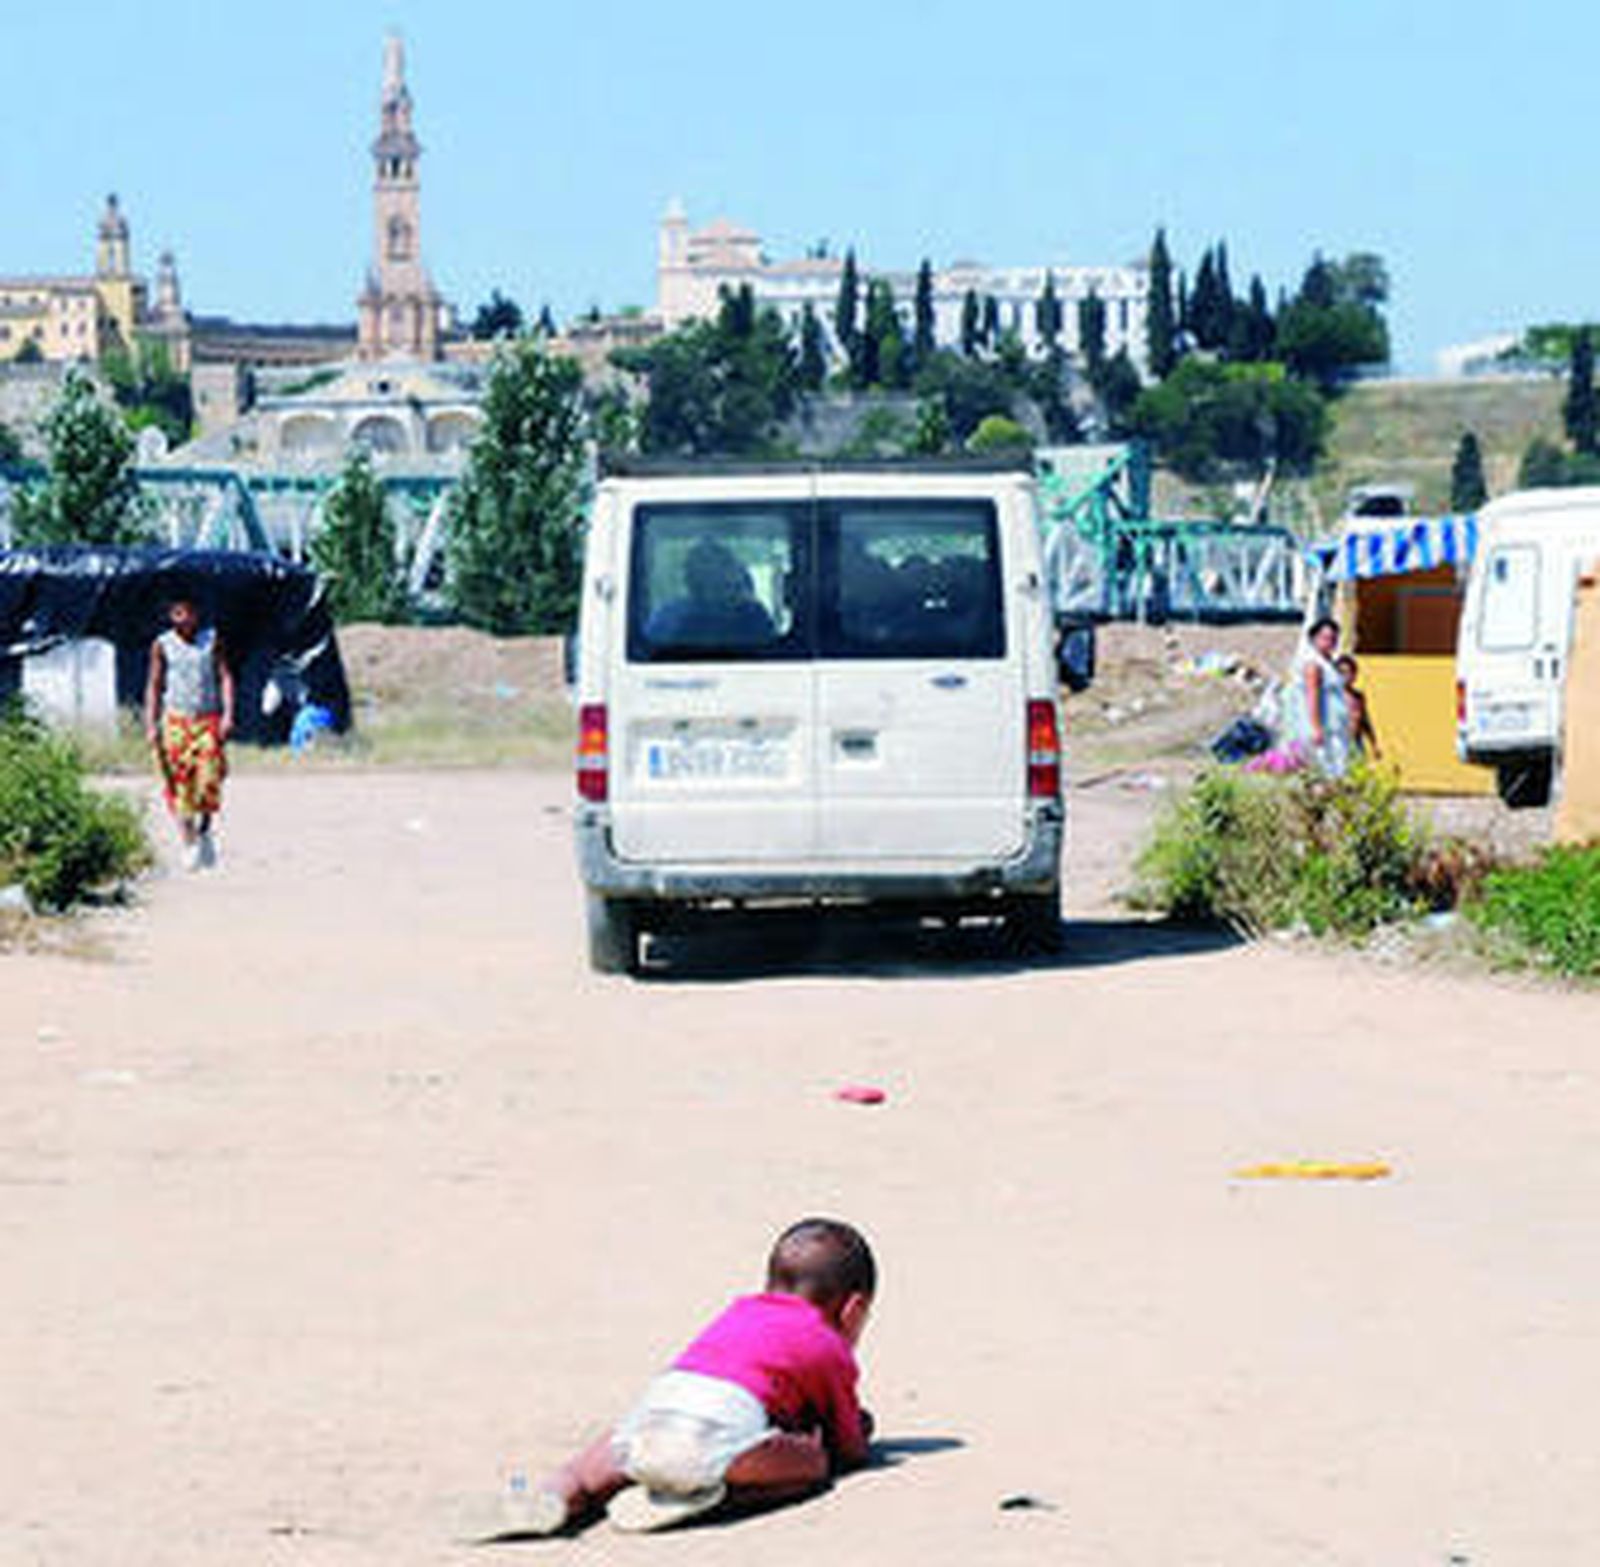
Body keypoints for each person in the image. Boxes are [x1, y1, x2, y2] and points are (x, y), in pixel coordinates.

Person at [491, 1217, 876, 1538]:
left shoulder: (738, 1313)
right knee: (812, 1465)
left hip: (653, 1417)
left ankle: (550, 1495)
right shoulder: (828, 1344)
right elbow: (849, 1451)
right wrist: (857, 1428)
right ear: (853, 1309)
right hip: (716, 1444)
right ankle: (717, 1495)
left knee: (589, 1470)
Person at [144, 596, 234, 870]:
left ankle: (205, 830)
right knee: (179, 783)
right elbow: (155, 684)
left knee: (208, 777)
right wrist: (151, 723)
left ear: (195, 614)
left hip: (207, 719)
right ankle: (189, 841)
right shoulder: (162, 645)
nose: (181, 617)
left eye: (185, 611)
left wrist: (228, 713)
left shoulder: (211, 640)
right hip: (176, 721)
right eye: (175, 612)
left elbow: (225, 677)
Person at [1283, 615, 1351, 776]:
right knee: (1327, 770)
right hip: (1325, 729)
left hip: (1336, 726)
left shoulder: (1330, 663)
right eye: (1325, 638)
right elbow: (1313, 695)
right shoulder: (1313, 665)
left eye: (1333, 639)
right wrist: (1316, 727)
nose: (1330, 643)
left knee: (1339, 768)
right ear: (1314, 638)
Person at [1335, 653, 1381, 761]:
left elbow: (1365, 721)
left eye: (1348, 672)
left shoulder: (1358, 697)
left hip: (1355, 744)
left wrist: (1374, 744)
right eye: (1340, 672)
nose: (1344, 676)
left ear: (1354, 675)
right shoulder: (1331, 697)